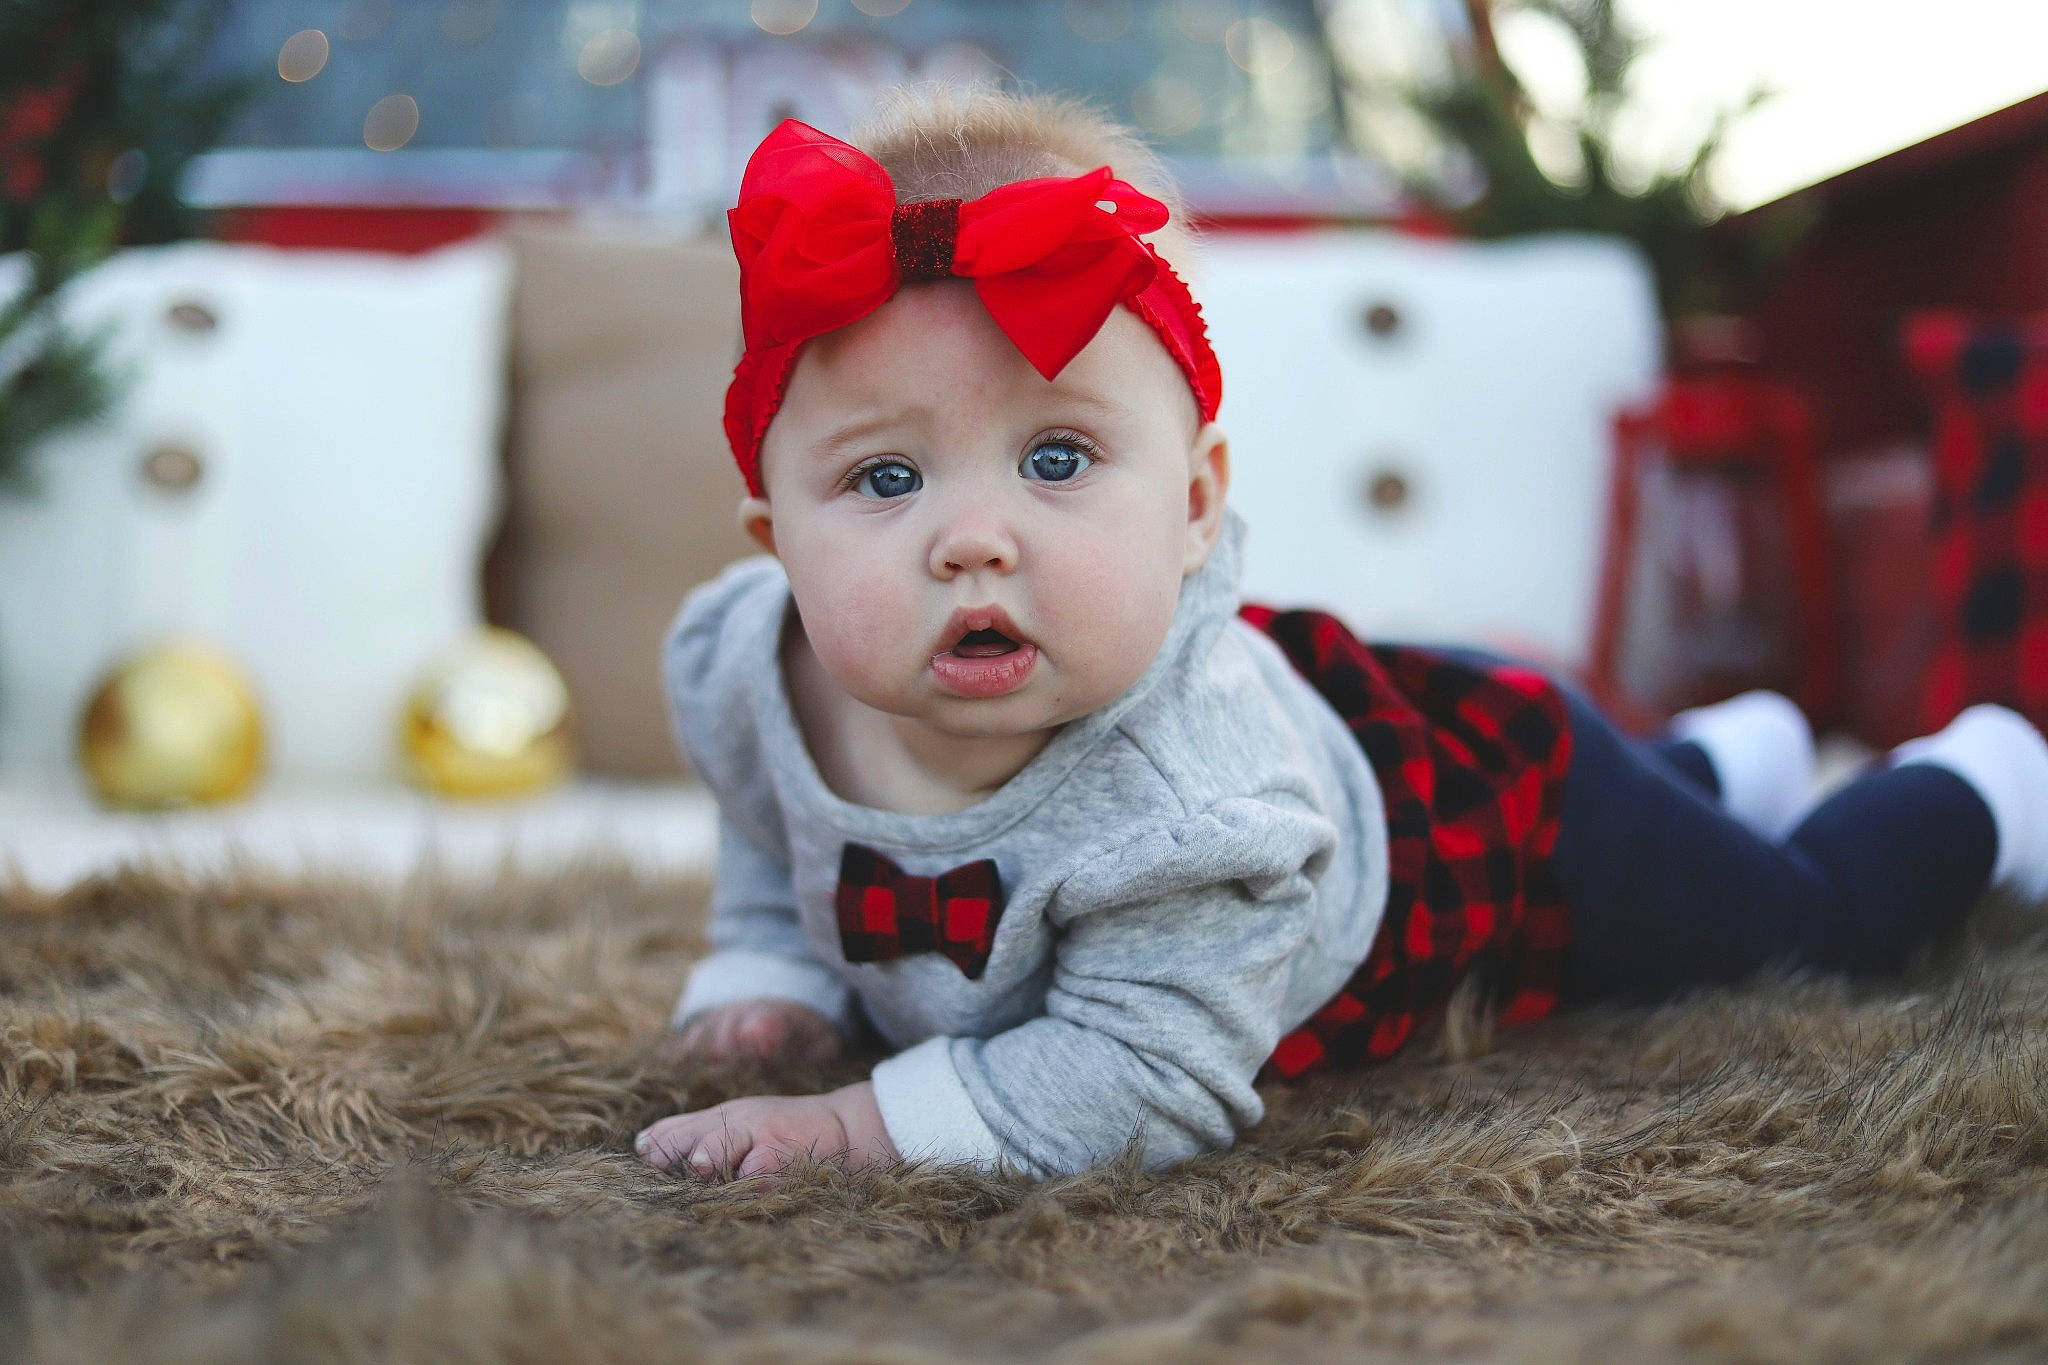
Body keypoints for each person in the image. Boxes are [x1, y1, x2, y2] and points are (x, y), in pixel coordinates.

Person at [634, 89, 2048, 1181]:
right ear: (778, 546)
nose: (973, 536)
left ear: (1193, 507)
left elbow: (1140, 1074)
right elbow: (774, 826)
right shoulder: (745, 661)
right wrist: (763, 962)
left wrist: (848, 1126)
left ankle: (1980, 782)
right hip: (1360, 718)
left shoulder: (1196, 800)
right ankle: (1715, 764)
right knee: (1691, 846)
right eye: (886, 478)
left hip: (1502, 812)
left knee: (1795, 929)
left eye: (1057, 458)